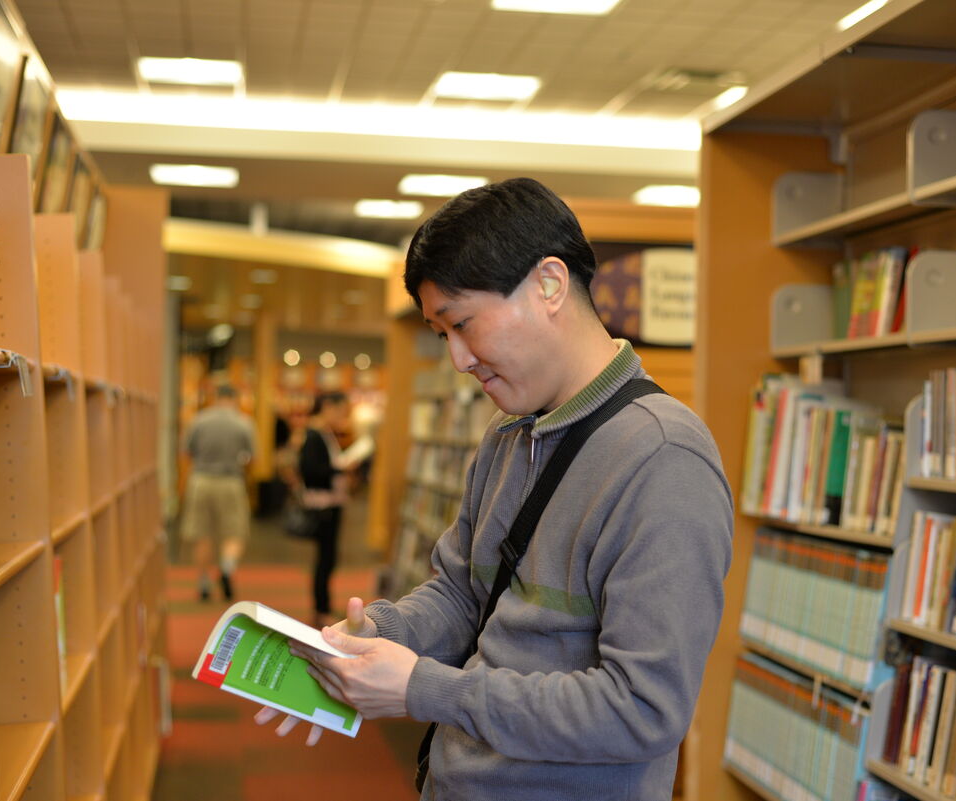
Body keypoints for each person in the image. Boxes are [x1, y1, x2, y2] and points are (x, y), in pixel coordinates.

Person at [258, 177, 734, 801]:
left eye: (463, 324)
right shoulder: (508, 435)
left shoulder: (664, 460)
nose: (459, 359)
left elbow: (641, 709)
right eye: (441, 335)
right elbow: (464, 594)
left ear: (549, 285)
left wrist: (422, 688)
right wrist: (376, 638)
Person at [181, 383, 255, 601]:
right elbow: (253, 457)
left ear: (215, 397)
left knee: (202, 533)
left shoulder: (199, 420)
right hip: (231, 481)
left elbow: (186, 452)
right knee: (235, 531)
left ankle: (203, 581)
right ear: (235, 398)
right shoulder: (243, 423)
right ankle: (226, 568)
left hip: (201, 480)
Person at [290, 391, 354, 627]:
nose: (342, 416)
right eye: (340, 410)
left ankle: (323, 606)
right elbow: (310, 470)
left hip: (330, 503)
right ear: (327, 406)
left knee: (328, 558)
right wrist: (338, 469)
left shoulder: (321, 433)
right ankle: (321, 608)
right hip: (323, 505)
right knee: (325, 559)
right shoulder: (314, 435)